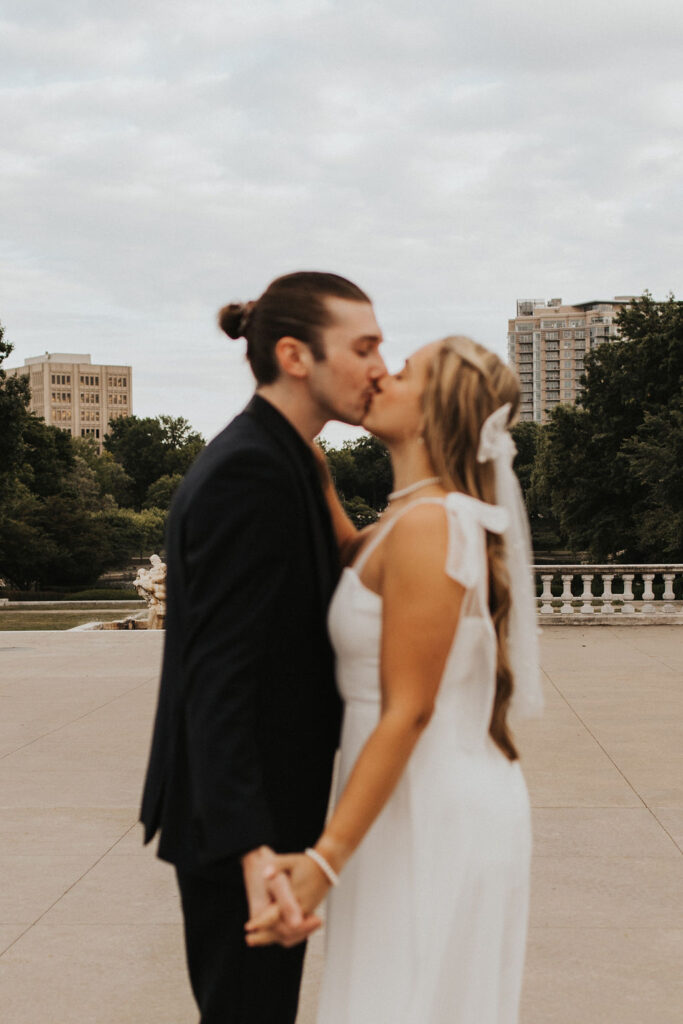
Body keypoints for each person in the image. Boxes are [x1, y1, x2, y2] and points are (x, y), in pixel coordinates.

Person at [247, 335, 543, 1024]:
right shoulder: (404, 523)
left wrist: (323, 861)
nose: (382, 373)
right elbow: (358, 563)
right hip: (404, 797)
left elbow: (408, 709)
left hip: (429, 805)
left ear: (438, 409)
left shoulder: (429, 526)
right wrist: (309, 453)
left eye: (404, 371)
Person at [139, 271, 385, 1024]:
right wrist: (254, 852)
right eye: (365, 346)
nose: (380, 365)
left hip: (258, 816)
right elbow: (216, 675)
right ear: (295, 354)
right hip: (241, 828)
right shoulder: (249, 470)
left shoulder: (283, 458)